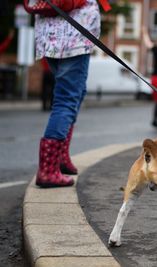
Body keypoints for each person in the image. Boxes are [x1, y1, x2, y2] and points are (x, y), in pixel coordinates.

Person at [33, 0, 101, 187]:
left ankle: (60, 157)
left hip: (50, 36)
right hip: (74, 36)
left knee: (75, 94)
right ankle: (48, 170)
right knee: (66, 100)